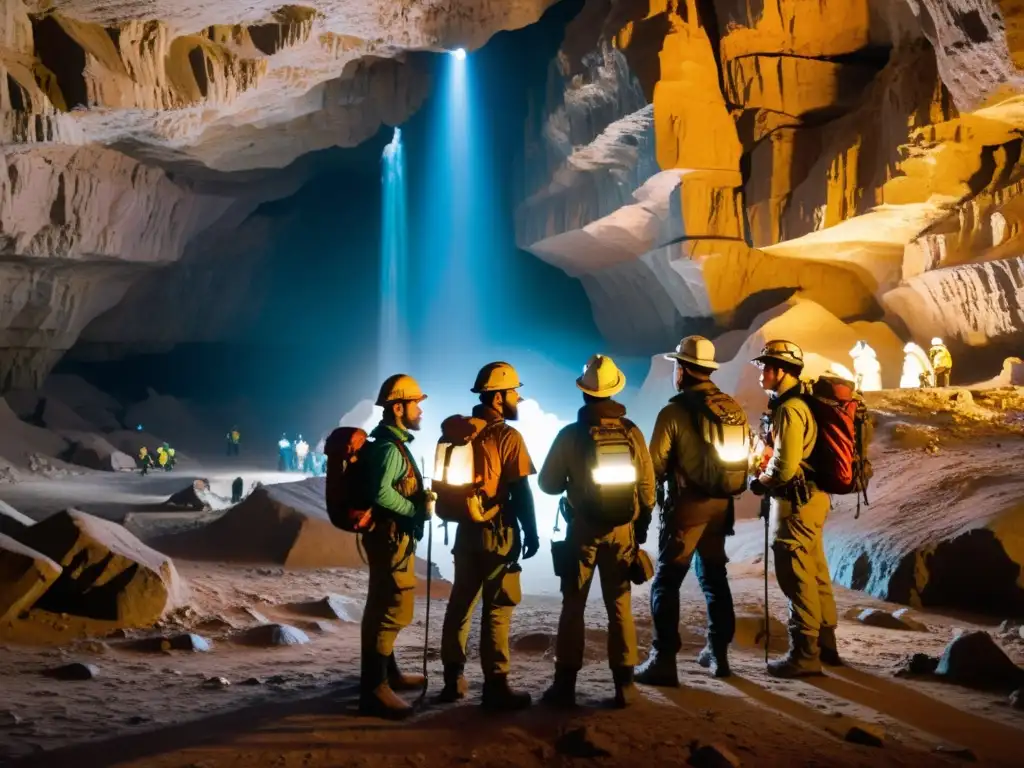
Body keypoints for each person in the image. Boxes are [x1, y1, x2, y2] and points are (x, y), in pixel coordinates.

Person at [538, 355, 655, 708]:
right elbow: (647, 489)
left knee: (573, 605)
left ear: (584, 393)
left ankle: (565, 685)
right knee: (619, 605)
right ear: (616, 390)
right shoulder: (631, 431)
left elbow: (547, 484)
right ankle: (625, 685)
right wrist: (641, 525)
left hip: (583, 531)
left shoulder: (571, 435)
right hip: (622, 531)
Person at [635, 336, 746, 685]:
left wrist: (645, 509)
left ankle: (663, 659)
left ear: (682, 370)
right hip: (720, 507)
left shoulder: (675, 412)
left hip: (687, 509)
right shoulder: (730, 405)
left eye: (675, 367)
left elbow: (654, 466)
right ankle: (719, 652)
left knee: (667, 583)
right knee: (715, 579)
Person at [437, 362, 539, 711]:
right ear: (498, 397)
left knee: (460, 604)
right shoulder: (507, 436)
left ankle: (453, 680)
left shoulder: (458, 433)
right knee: (497, 608)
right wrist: (532, 531)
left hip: (465, 532)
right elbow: (520, 489)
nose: (517, 398)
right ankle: (496, 685)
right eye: (512, 392)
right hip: (498, 533)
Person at [749, 340, 838, 678]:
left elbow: (785, 467)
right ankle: (826, 644)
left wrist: (762, 482)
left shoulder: (790, 409)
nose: (760, 372)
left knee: (796, 573)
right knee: (813, 568)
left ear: (782, 371)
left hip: (796, 503)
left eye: (766, 366)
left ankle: (805, 653)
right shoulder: (796, 404)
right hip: (813, 500)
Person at [360, 373, 431, 720]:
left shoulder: (392, 444)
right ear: (399, 407)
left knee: (380, 608)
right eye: (416, 403)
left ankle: (387, 675)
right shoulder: (389, 448)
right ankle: (375, 689)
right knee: (393, 610)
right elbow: (381, 493)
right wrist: (413, 509)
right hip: (391, 540)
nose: (420, 410)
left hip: (388, 539)